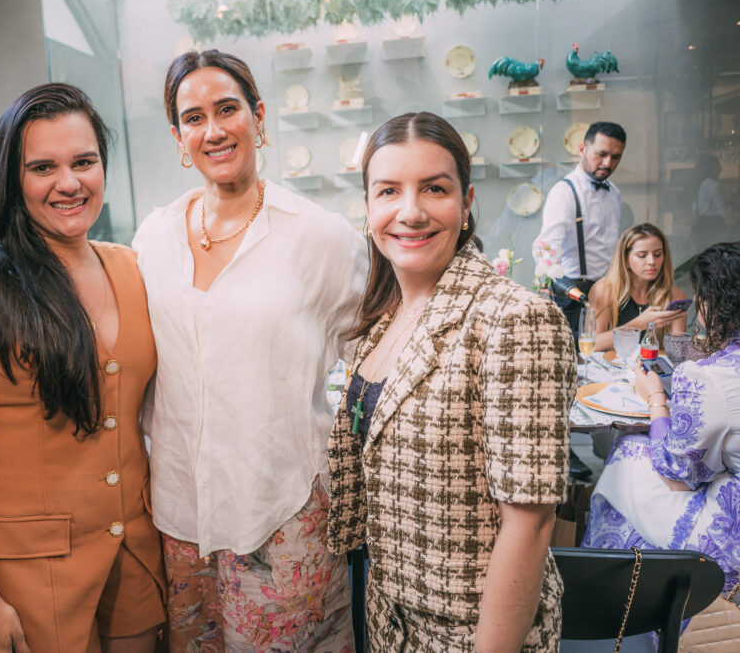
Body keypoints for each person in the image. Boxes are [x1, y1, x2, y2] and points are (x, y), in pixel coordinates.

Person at [0, 83, 164, 652]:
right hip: (30, 576)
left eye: (84, 162)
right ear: (11, 177)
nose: (69, 183)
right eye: (43, 167)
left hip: (134, 551)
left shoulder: (131, 269)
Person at [132, 49, 366, 650]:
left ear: (258, 117)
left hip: (283, 508)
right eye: (193, 118)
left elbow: (377, 350)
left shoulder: (320, 237)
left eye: (227, 109)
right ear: (178, 136)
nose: (213, 130)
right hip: (180, 512)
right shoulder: (154, 238)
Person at [327, 112, 575, 651]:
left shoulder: (515, 318)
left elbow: (531, 523)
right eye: (388, 191)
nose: (410, 211)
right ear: (368, 208)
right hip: (391, 621)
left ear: (465, 205)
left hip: (471, 633)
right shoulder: (387, 316)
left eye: (434, 189)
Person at [583, 242, 740, 610]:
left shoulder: (708, 376)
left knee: (626, 453)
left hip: (728, 536)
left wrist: (655, 397)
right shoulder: (608, 291)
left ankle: (614, 594)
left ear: (714, 304)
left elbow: (677, 473)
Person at [533, 121, 627, 334]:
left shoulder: (614, 193)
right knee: (574, 351)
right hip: (573, 294)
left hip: (608, 290)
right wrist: (552, 283)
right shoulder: (565, 191)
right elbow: (547, 246)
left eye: (616, 157)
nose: (607, 163)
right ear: (582, 149)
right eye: (601, 154)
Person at [589, 223, 687, 352]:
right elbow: (592, 345)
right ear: (625, 259)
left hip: (654, 364)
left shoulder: (674, 295)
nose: (652, 261)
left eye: (657, 254)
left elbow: (677, 352)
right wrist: (638, 324)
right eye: (642, 255)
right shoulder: (605, 290)